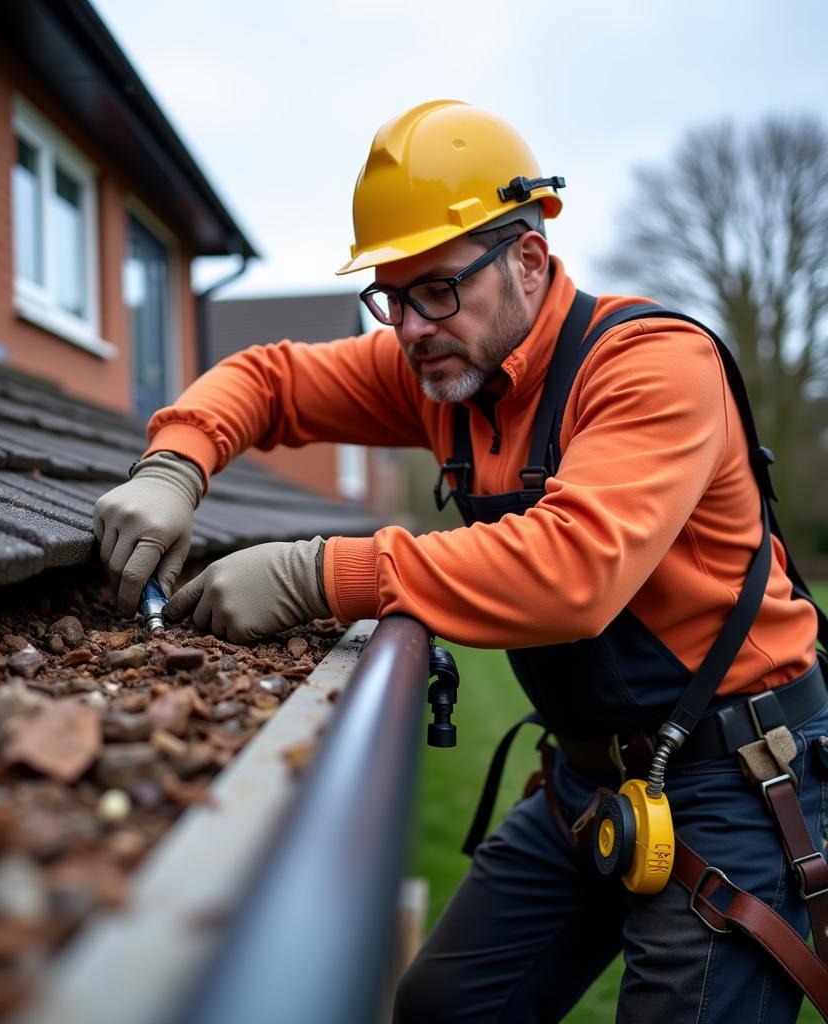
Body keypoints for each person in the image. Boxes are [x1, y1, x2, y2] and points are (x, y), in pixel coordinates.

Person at [93, 100, 828, 1021]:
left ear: (527, 258)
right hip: (590, 776)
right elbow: (269, 377)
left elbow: (575, 572)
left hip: (733, 779)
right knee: (443, 1006)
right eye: (390, 296)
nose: (407, 328)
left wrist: (313, 573)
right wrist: (175, 463)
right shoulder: (448, 375)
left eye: (435, 290)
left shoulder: (652, 365)